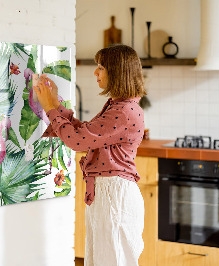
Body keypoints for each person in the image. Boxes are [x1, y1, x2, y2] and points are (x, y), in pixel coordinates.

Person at [34, 44, 146, 266]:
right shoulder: (119, 106)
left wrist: (49, 108)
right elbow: (84, 133)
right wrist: (56, 104)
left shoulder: (123, 111)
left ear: (117, 72)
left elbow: (77, 141)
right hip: (109, 193)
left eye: (101, 67)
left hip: (114, 195)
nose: (95, 72)